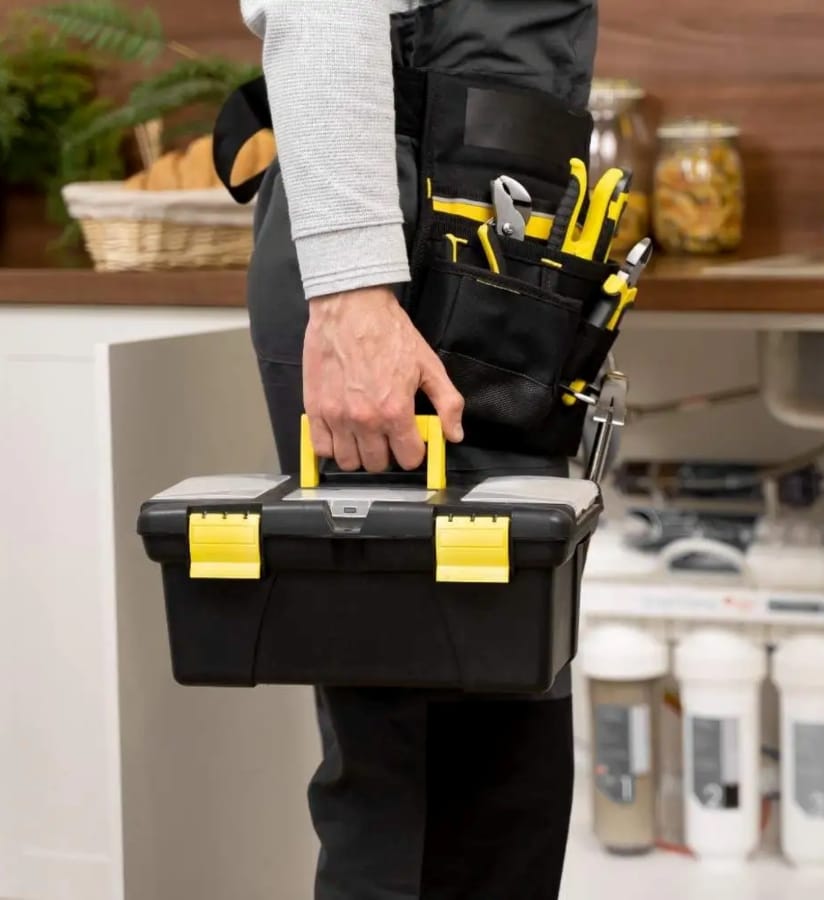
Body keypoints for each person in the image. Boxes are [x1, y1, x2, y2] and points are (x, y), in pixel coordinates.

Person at [238, 2, 599, 898]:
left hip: (479, 242)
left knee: (499, 767)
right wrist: (354, 296)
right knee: (430, 790)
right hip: (413, 262)